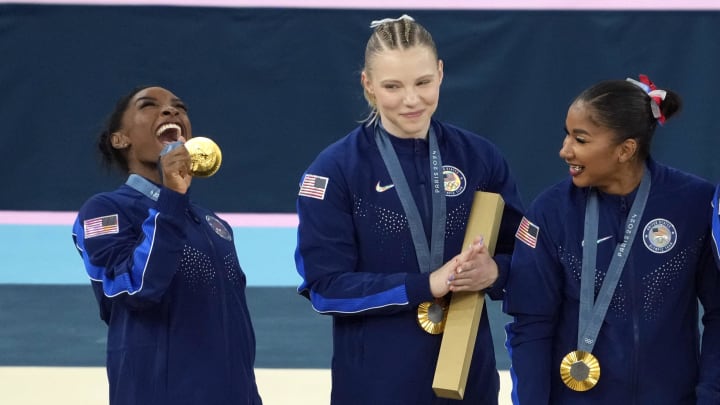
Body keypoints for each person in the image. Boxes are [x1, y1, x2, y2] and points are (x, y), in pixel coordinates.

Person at [294, 15, 524, 404]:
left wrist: (496, 271)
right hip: (377, 386)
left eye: (423, 82)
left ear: (440, 73)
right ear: (367, 84)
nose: (412, 99)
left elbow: (526, 253)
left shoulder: (480, 158)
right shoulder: (335, 171)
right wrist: (425, 285)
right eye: (392, 86)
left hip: (469, 380)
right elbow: (326, 288)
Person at [504, 75, 720, 404]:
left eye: (581, 139)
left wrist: (710, 396)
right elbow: (531, 325)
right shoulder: (550, 212)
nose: (564, 150)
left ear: (625, 150)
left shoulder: (694, 204)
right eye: (567, 135)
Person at [71, 86, 262, 405]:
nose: (172, 111)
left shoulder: (212, 223)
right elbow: (136, 288)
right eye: (149, 105)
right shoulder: (105, 210)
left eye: (179, 107)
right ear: (120, 139)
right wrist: (172, 200)